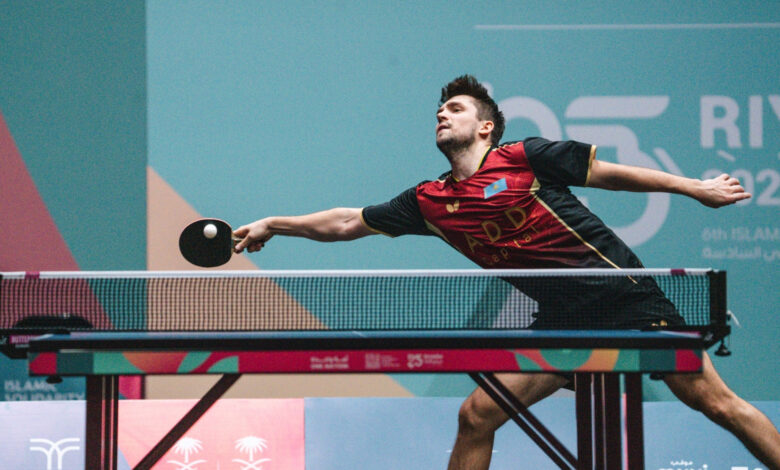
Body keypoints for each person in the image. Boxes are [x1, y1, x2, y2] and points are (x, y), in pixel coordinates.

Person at [234, 75, 780, 468]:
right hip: (564, 321)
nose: (442, 115)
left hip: (625, 300)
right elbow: (347, 221)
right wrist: (274, 224)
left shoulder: (524, 157)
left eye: (455, 109)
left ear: (485, 126)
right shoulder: (430, 201)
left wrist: (695, 188)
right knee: (476, 415)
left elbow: (611, 174)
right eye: (439, 111)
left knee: (719, 405)